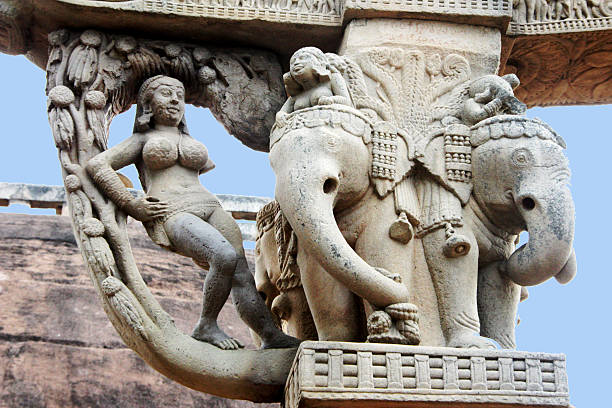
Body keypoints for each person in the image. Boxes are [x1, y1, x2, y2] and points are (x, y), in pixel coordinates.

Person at [87, 75, 298, 350]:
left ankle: (269, 335)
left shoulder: (187, 138)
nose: (175, 100)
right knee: (221, 256)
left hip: (208, 204)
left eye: (179, 94)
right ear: (147, 104)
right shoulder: (142, 140)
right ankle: (206, 325)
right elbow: (98, 166)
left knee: (240, 271)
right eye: (165, 93)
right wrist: (130, 204)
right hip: (171, 208)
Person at [279, 47, 352, 115]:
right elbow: (282, 112)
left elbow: (347, 101)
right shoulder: (296, 95)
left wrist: (331, 100)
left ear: (318, 62)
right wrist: (280, 115)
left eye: (303, 58)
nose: (296, 63)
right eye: (292, 62)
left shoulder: (333, 78)